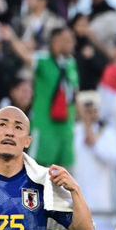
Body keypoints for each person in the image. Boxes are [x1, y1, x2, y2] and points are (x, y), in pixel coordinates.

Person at [30, 26, 78, 168]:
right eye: (68, 40)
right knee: (36, 171)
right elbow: (26, 58)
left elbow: (75, 94)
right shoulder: (43, 59)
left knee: (63, 175)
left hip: (66, 128)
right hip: (44, 126)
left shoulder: (71, 63)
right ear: (56, 41)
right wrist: (12, 38)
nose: (72, 43)